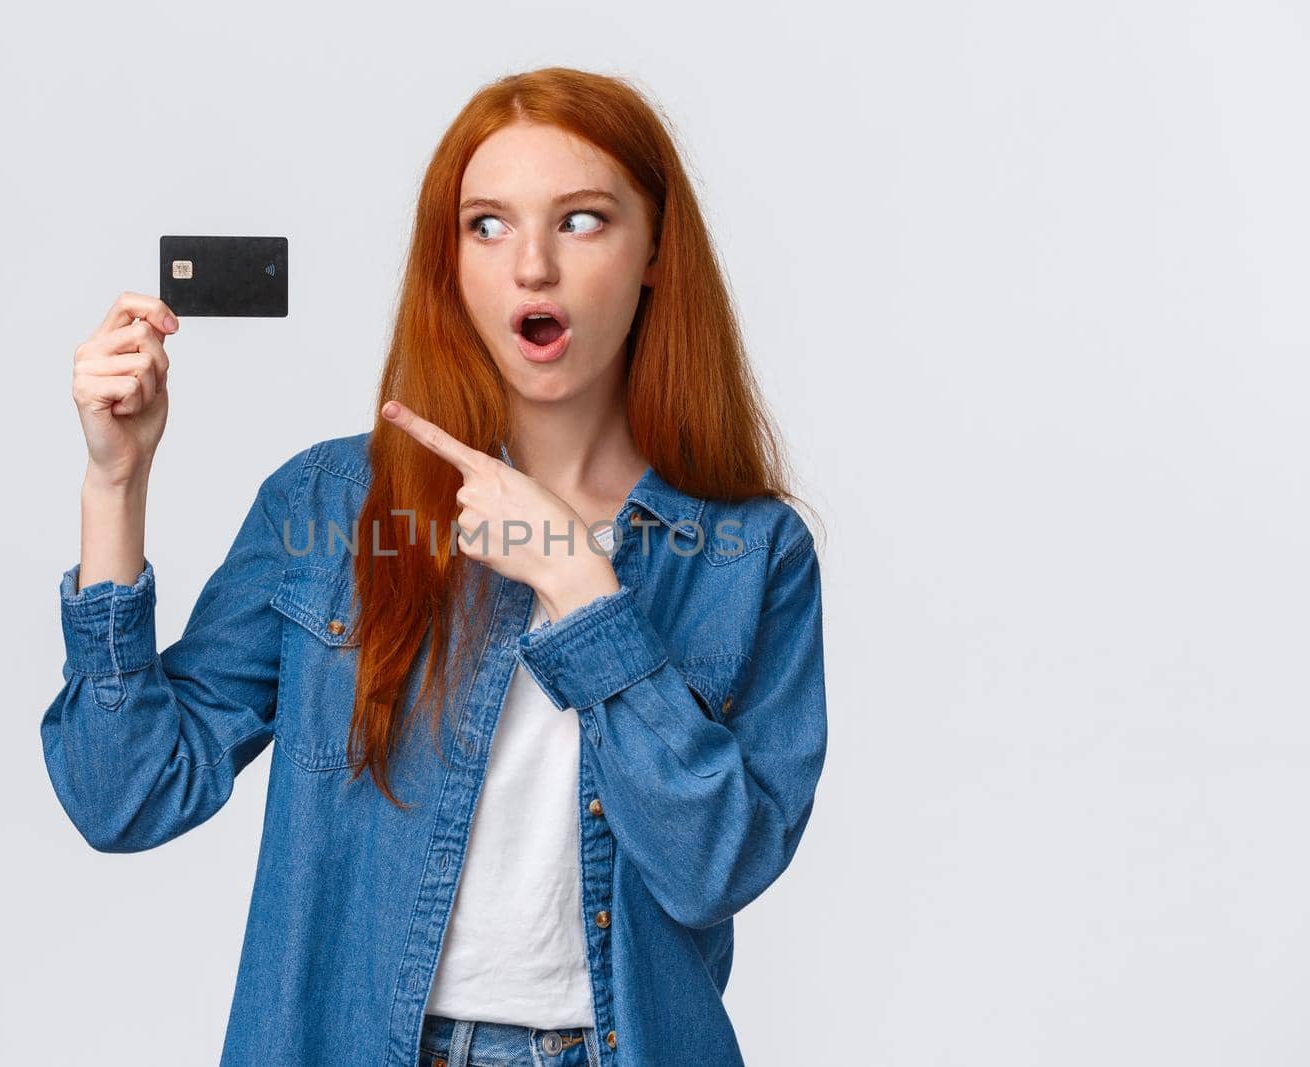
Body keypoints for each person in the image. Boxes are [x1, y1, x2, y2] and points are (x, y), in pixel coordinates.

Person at [42, 66, 828, 1067]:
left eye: (581, 220)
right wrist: (115, 486)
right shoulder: (328, 506)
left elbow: (716, 863)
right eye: (487, 226)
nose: (531, 266)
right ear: (449, 263)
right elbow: (126, 796)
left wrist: (580, 589)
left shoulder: (747, 552)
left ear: (655, 256)